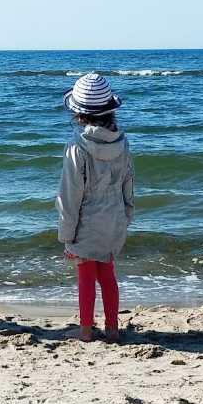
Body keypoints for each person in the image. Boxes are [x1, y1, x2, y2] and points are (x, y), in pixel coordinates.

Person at [57, 72, 135, 342]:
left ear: (79, 115)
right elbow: (128, 183)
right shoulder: (122, 143)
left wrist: (67, 235)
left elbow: (70, 196)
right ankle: (112, 328)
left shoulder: (77, 147)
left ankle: (87, 330)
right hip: (113, 220)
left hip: (86, 224)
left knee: (86, 276)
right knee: (108, 275)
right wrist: (126, 216)